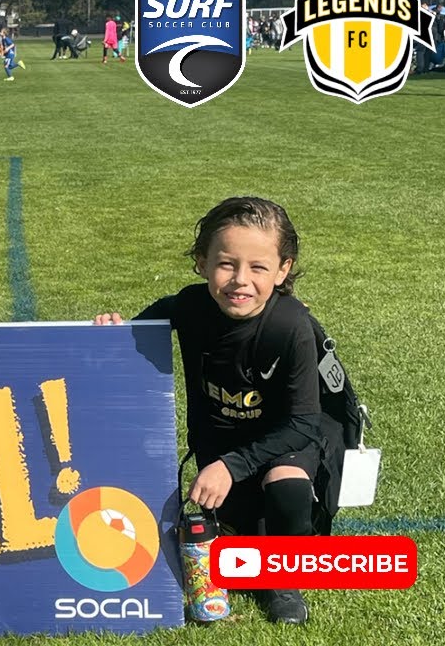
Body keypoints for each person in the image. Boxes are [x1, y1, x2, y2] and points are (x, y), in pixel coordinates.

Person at [94, 196, 324, 625]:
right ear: (201, 262)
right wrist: (115, 331)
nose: (240, 280)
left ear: (283, 269)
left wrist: (231, 466)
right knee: (225, 531)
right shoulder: (188, 305)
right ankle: (240, 527)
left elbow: (304, 423)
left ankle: (284, 580)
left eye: (258, 267)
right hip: (217, 443)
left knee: (286, 490)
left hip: (283, 443)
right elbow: (137, 333)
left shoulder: (291, 326)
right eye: (226, 264)